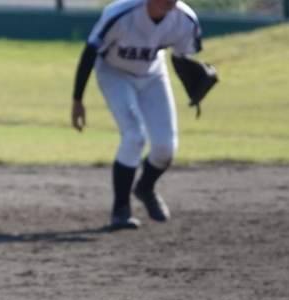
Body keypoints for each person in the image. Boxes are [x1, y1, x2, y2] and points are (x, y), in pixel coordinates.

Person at [71, 0, 204, 230]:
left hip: (153, 75)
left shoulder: (185, 19)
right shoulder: (121, 14)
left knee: (165, 147)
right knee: (135, 136)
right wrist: (77, 100)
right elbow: (91, 51)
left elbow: (182, 56)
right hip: (114, 73)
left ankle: (145, 188)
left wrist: (193, 85)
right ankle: (121, 210)